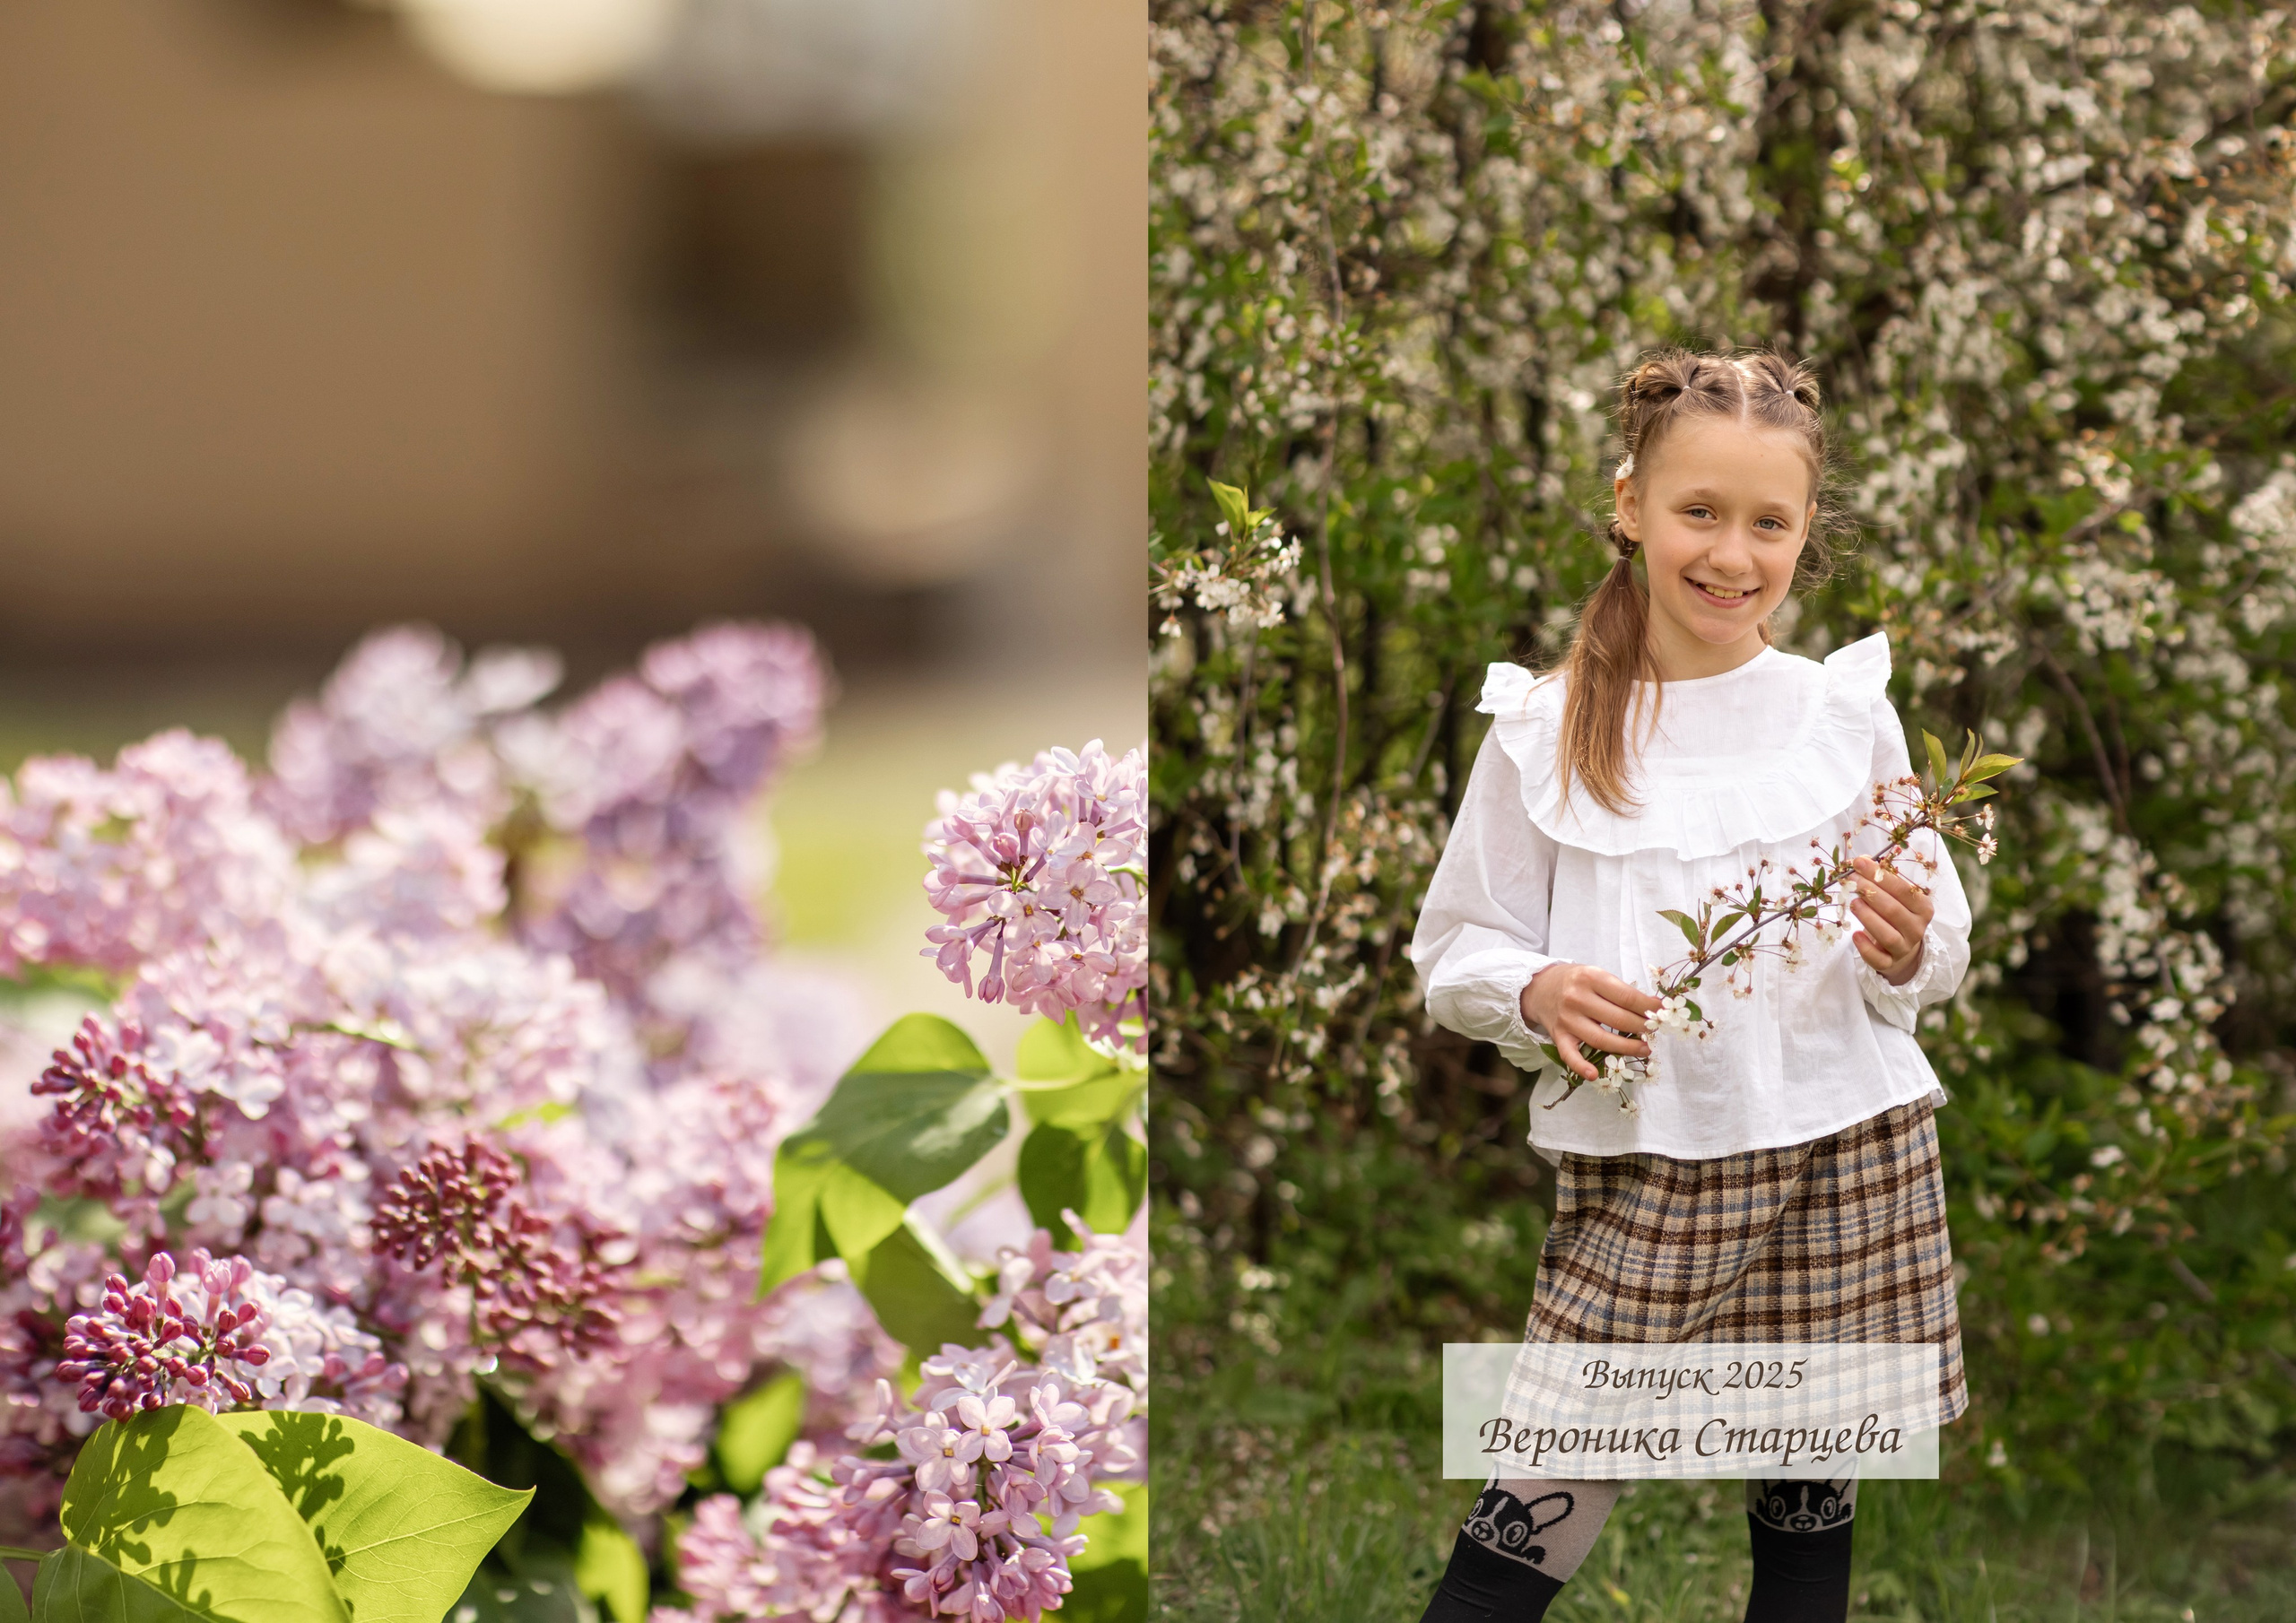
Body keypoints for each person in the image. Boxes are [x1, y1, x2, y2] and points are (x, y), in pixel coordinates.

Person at [1407, 349, 1970, 1622]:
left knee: (1807, 1513)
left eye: (1767, 521)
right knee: (1542, 1485)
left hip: (1845, 1148)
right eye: (1697, 512)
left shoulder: (1843, 715)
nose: (1731, 553)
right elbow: (1456, 948)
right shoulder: (1548, 728)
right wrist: (1536, 985)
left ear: (1805, 530)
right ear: (1629, 505)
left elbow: (1937, 950)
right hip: (1653, 1162)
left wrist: (1907, 946)